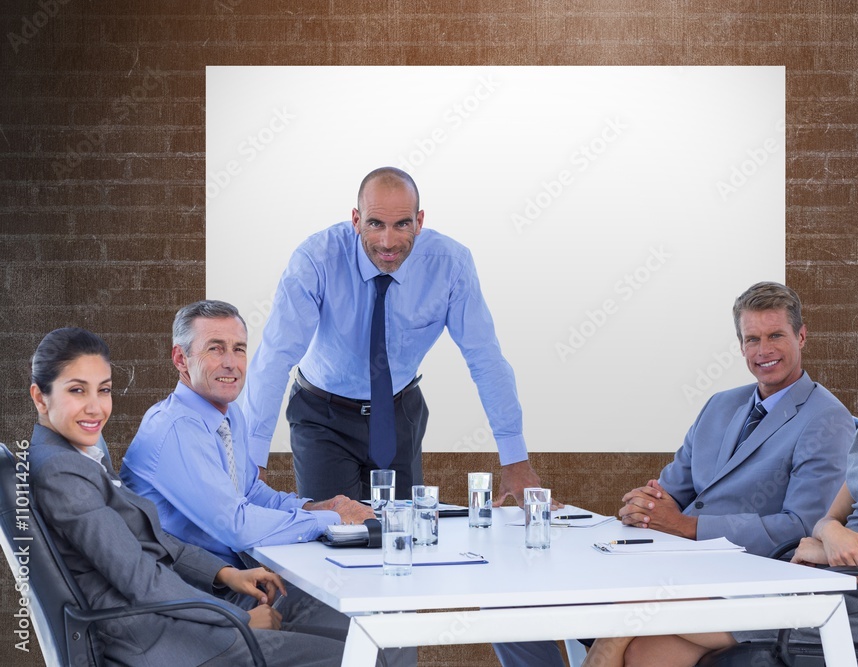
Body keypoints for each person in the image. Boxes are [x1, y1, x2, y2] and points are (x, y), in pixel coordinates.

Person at [588, 283, 858, 666]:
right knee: (645, 652)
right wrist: (830, 534)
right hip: (812, 576)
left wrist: (837, 549)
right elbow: (825, 520)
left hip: (845, 599)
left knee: (636, 609)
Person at [494, 281, 855, 667]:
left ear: (801, 336)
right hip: (673, 566)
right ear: (740, 346)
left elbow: (800, 526)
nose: (763, 350)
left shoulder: (827, 419)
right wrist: (645, 505)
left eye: (775, 336)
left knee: (630, 649)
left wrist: (686, 527)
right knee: (513, 604)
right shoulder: (720, 405)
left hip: (752, 580)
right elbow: (671, 489)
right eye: (752, 339)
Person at [27, 327, 346, 666]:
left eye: (103, 390)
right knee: (352, 656)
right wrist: (238, 620)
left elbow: (153, 540)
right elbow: (141, 579)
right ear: (39, 397)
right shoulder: (61, 472)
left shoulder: (78, 452)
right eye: (77, 390)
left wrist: (226, 574)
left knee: (339, 620)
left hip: (172, 615)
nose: (95, 408)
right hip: (158, 641)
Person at [120, 301, 415, 666]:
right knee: (375, 647)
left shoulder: (229, 417)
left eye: (239, 349)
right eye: (215, 348)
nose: (231, 362)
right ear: (181, 359)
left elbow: (252, 492)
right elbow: (238, 525)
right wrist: (334, 520)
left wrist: (315, 507)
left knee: (390, 632)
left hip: (245, 583)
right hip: (203, 602)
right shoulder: (176, 427)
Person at [241, 166, 546, 505]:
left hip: (399, 415)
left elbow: (485, 359)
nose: (388, 242)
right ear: (356, 220)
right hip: (323, 416)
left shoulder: (451, 265)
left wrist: (515, 460)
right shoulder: (315, 260)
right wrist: (252, 460)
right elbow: (275, 357)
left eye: (402, 224)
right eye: (375, 224)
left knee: (404, 535)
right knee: (333, 533)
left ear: (419, 221)